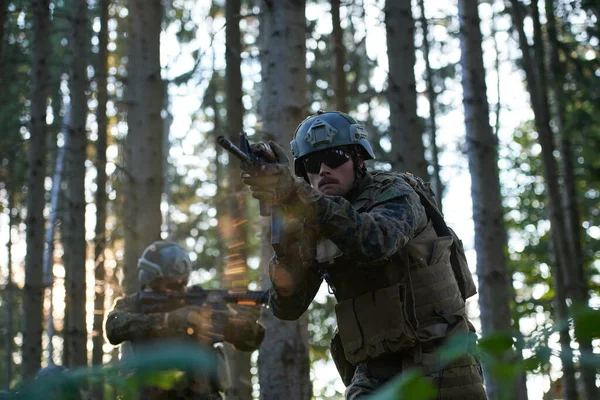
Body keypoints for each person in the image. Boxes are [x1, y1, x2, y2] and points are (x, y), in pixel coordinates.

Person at [241, 110, 487, 399]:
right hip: (374, 372)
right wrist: (289, 239)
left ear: (358, 159)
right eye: (310, 163)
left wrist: (298, 195)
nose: (323, 170)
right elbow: (288, 307)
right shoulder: (317, 218)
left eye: (334, 158)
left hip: (441, 362)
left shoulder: (395, 191)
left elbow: (375, 240)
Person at [105, 241, 265, 400]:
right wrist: (167, 319)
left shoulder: (201, 300)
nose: (182, 289)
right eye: (173, 284)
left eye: (184, 282)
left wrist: (245, 327)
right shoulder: (134, 304)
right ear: (153, 280)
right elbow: (113, 327)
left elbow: (248, 342)